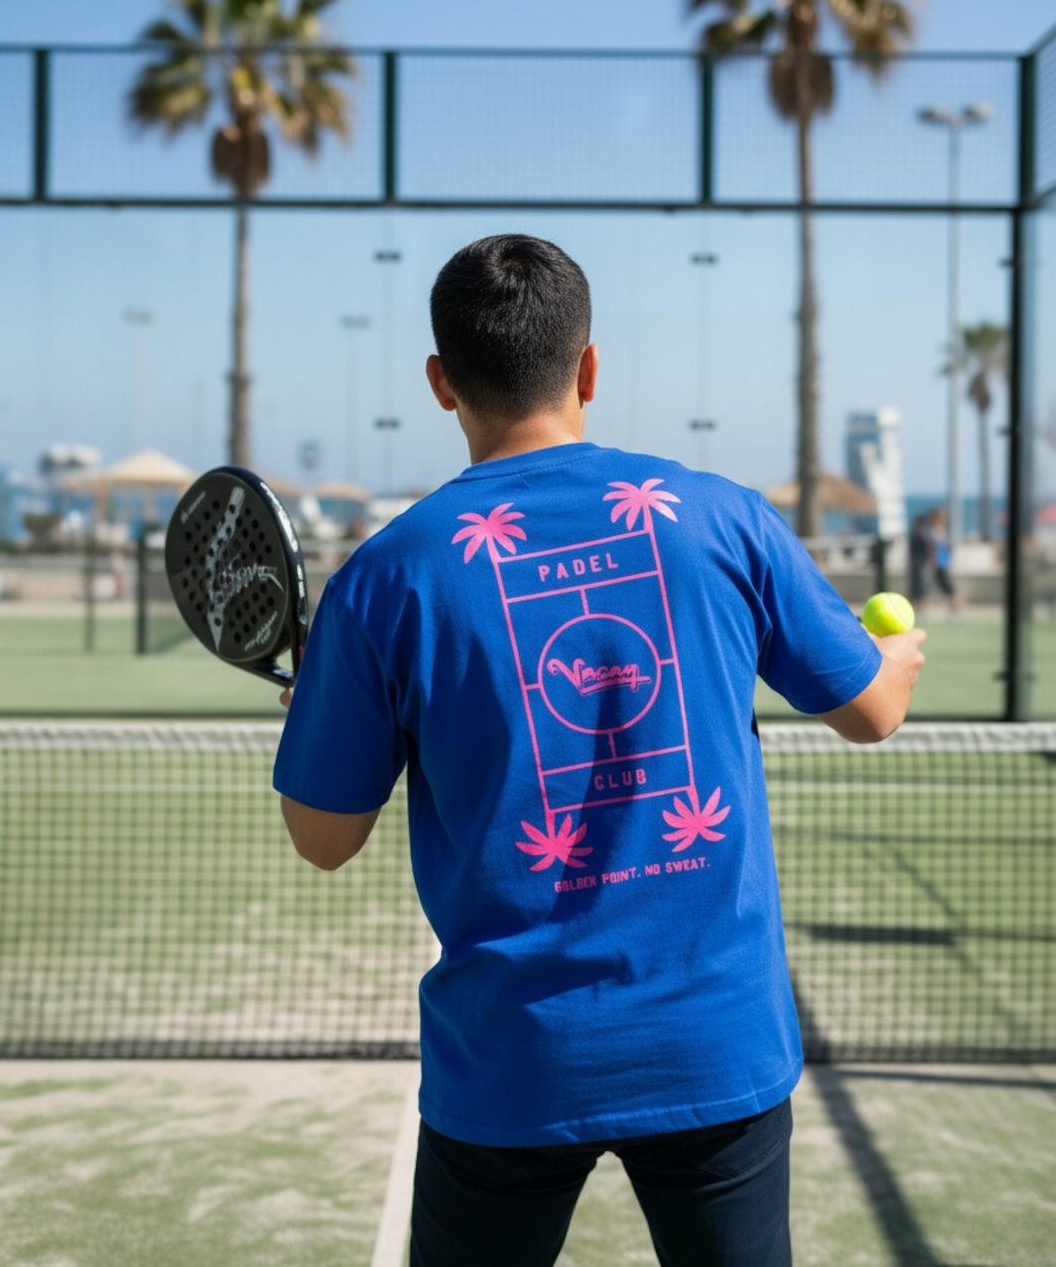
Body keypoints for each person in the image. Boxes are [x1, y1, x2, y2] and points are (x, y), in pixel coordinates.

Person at [273, 235, 926, 1267]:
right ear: (587, 369)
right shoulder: (722, 518)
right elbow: (872, 710)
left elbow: (321, 837)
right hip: (713, 1038)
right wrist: (896, 648)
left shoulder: (384, 579)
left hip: (507, 1062)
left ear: (441, 383)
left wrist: (322, 698)